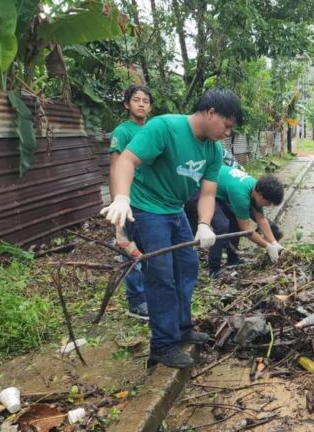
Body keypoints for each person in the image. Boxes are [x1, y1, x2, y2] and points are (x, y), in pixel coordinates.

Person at [101, 88, 243, 369]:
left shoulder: (213, 150)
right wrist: (121, 197)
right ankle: (163, 344)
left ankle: (181, 327)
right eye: (226, 125)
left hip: (174, 208)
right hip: (147, 207)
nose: (227, 133)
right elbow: (126, 160)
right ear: (211, 112)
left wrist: (204, 224)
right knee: (161, 273)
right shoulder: (165, 127)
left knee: (188, 265)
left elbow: (207, 193)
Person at [186, 166, 285, 277]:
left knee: (235, 219)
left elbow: (261, 219)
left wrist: (274, 243)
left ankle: (233, 260)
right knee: (222, 225)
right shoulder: (241, 195)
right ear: (261, 196)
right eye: (269, 203)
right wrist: (267, 246)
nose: (269, 206)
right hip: (198, 190)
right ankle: (214, 270)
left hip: (217, 191)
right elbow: (246, 230)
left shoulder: (255, 187)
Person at [109, 84, 153, 320]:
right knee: (131, 251)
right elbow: (116, 167)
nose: (141, 104)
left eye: (145, 101)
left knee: (147, 251)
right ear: (127, 104)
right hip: (130, 200)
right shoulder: (123, 132)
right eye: (136, 100)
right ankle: (136, 302)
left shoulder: (152, 130)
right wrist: (118, 201)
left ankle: (148, 295)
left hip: (149, 202)